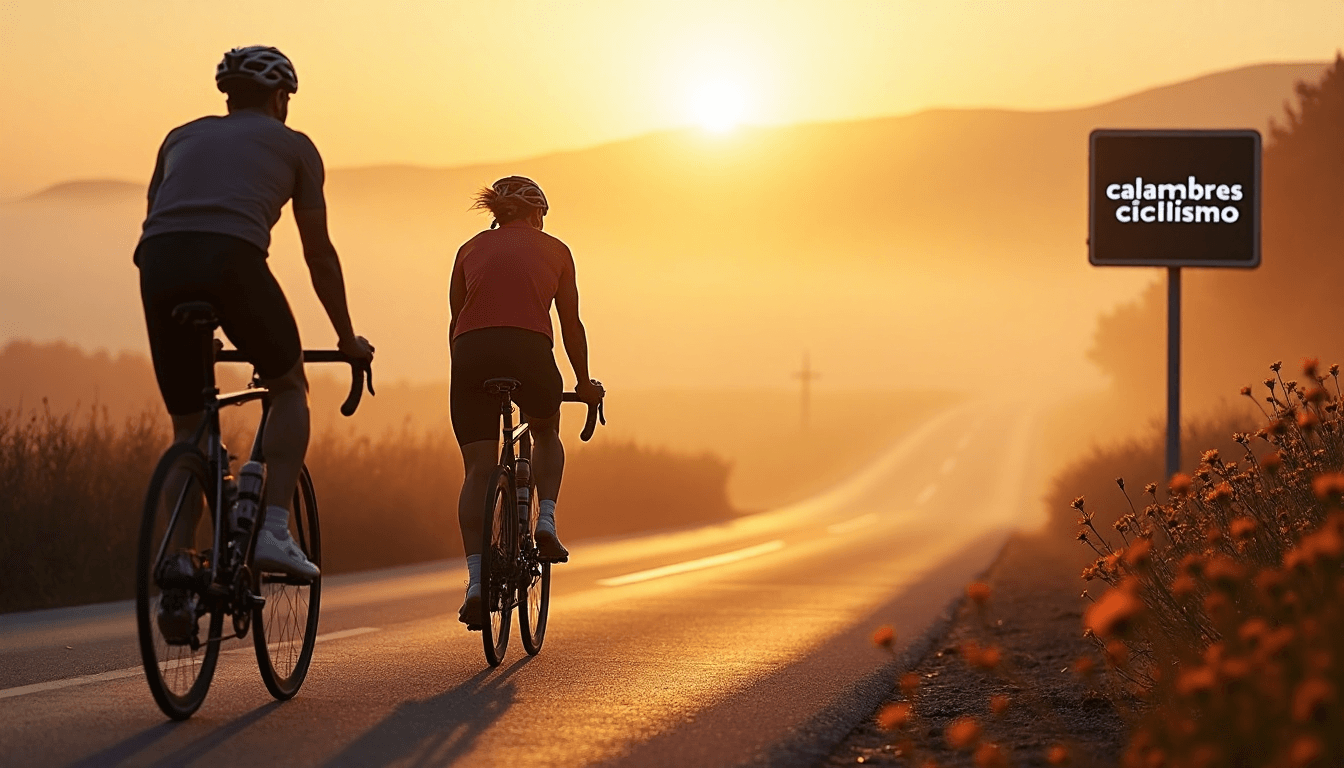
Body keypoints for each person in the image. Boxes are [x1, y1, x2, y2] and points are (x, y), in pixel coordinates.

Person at [136, 46, 373, 638]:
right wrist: (347, 338)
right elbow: (317, 252)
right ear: (279, 98)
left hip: (158, 265)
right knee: (290, 386)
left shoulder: (178, 137)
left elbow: (164, 221)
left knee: (189, 428)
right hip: (233, 261)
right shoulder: (296, 148)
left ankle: (177, 569)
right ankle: (271, 528)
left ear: (227, 96)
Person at [449, 176, 602, 628]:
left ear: (498, 214)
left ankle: (476, 582)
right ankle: (546, 521)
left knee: (477, 469)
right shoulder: (556, 250)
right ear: (537, 214)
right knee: (545, 431)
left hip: (471, 355)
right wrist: (584, 383)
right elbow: (570, 325)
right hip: (529, 351)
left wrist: (464, 375)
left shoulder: (469, 249)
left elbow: (457, 323)